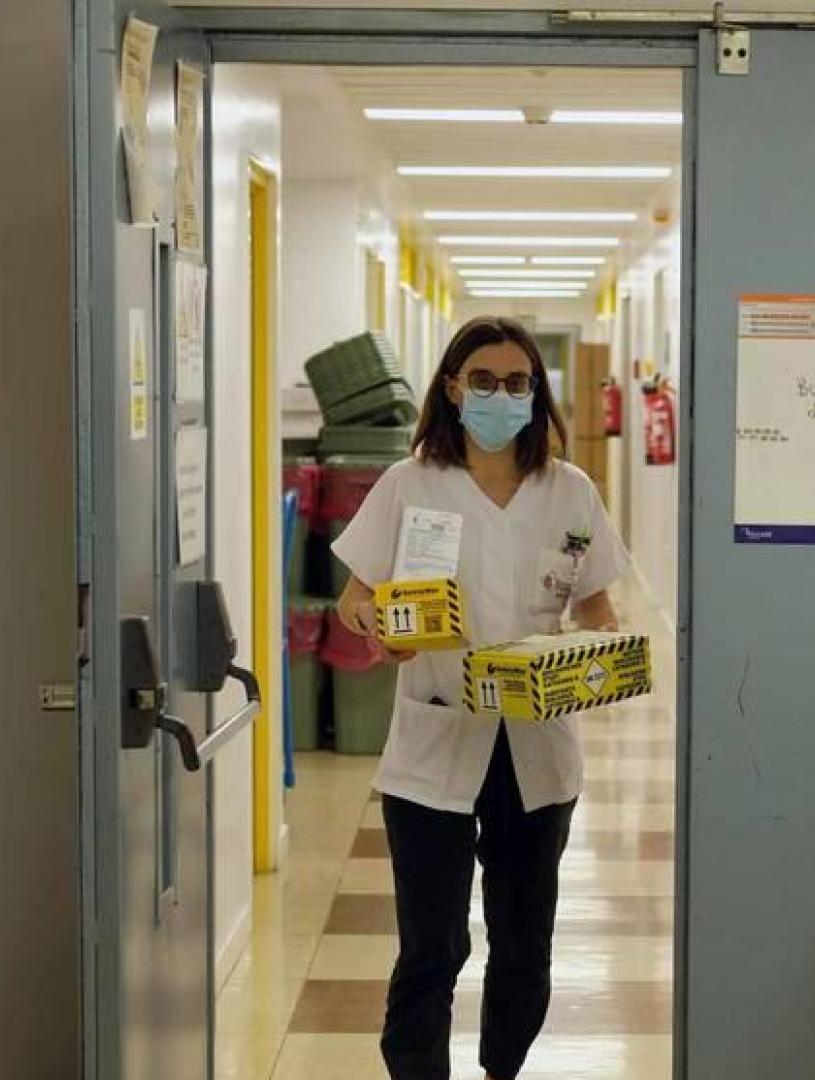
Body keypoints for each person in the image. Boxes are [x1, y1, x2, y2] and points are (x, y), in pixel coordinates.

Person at [333, 316, 630, 1080]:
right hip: (435, 739)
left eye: (519, 383)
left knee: (524, 946)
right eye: (487, 381)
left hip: (536, 746)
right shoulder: (410, 483)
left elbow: (598, 607)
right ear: (454, 388)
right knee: (432, 947)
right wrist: (378, 622)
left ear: (538, 394)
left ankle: (503, 1069)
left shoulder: (570, 490)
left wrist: (598, 648)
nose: (503, 395)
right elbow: (354, 598)